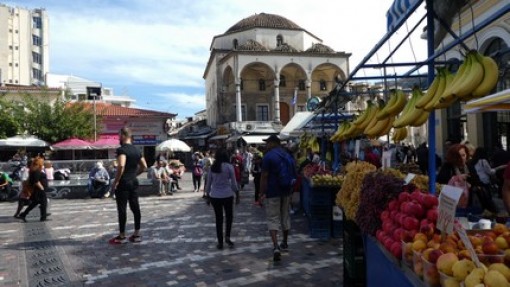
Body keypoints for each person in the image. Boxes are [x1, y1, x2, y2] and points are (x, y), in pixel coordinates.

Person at [260, 134, 297, 262]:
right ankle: (285, 242)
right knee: (285, 216)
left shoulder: (268, 156)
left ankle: (276, 247)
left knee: (272, 218)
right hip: (286, 190)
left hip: (272, 192)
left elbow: (264, 176)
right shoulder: (287, 155)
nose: (266, 145)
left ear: (273, 143)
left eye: (267, 142)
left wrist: (261, 193)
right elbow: (294, 172)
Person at [109, 127, 147, 244]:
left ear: (124, 135)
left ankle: (121, 236)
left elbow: (121, 165)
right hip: (133, 181)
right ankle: (136, 234)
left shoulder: (122, 150)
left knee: (122, 209)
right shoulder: (137, 150)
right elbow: (144, 167)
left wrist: (116, 182)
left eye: (119, 135)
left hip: (124, 183)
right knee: (135, 207)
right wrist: (134, 174)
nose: (118, 138)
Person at [205, 148, 240, 250]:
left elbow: (208, 183)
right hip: (227, 195)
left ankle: (220, 242)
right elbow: (234, 183)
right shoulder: (229, 167)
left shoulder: (212, 167)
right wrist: (237, 194)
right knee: (229, 217)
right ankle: (227, 237)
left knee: (218, 219)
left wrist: (207, 196)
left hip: (215, 196)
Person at [436, 144, 474, 209]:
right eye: (458, 156)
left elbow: (475, 180)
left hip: (467, 204)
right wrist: (456, 178)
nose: (462, 158)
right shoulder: (447, 166)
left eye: (463, 155)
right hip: (451, 204)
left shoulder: (468, 166)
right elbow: (441, 182)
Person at [18, 157, 48, 222]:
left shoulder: (34, 170)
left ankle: (23, 214)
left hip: (37, 190)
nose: (43, 163)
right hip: (39, 190)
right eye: (42, 162)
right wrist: (42, 188)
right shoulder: (36, 170)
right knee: (43, 203)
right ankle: (43, 217)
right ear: (39, 163)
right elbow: (36, 181)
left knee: (35, 202)